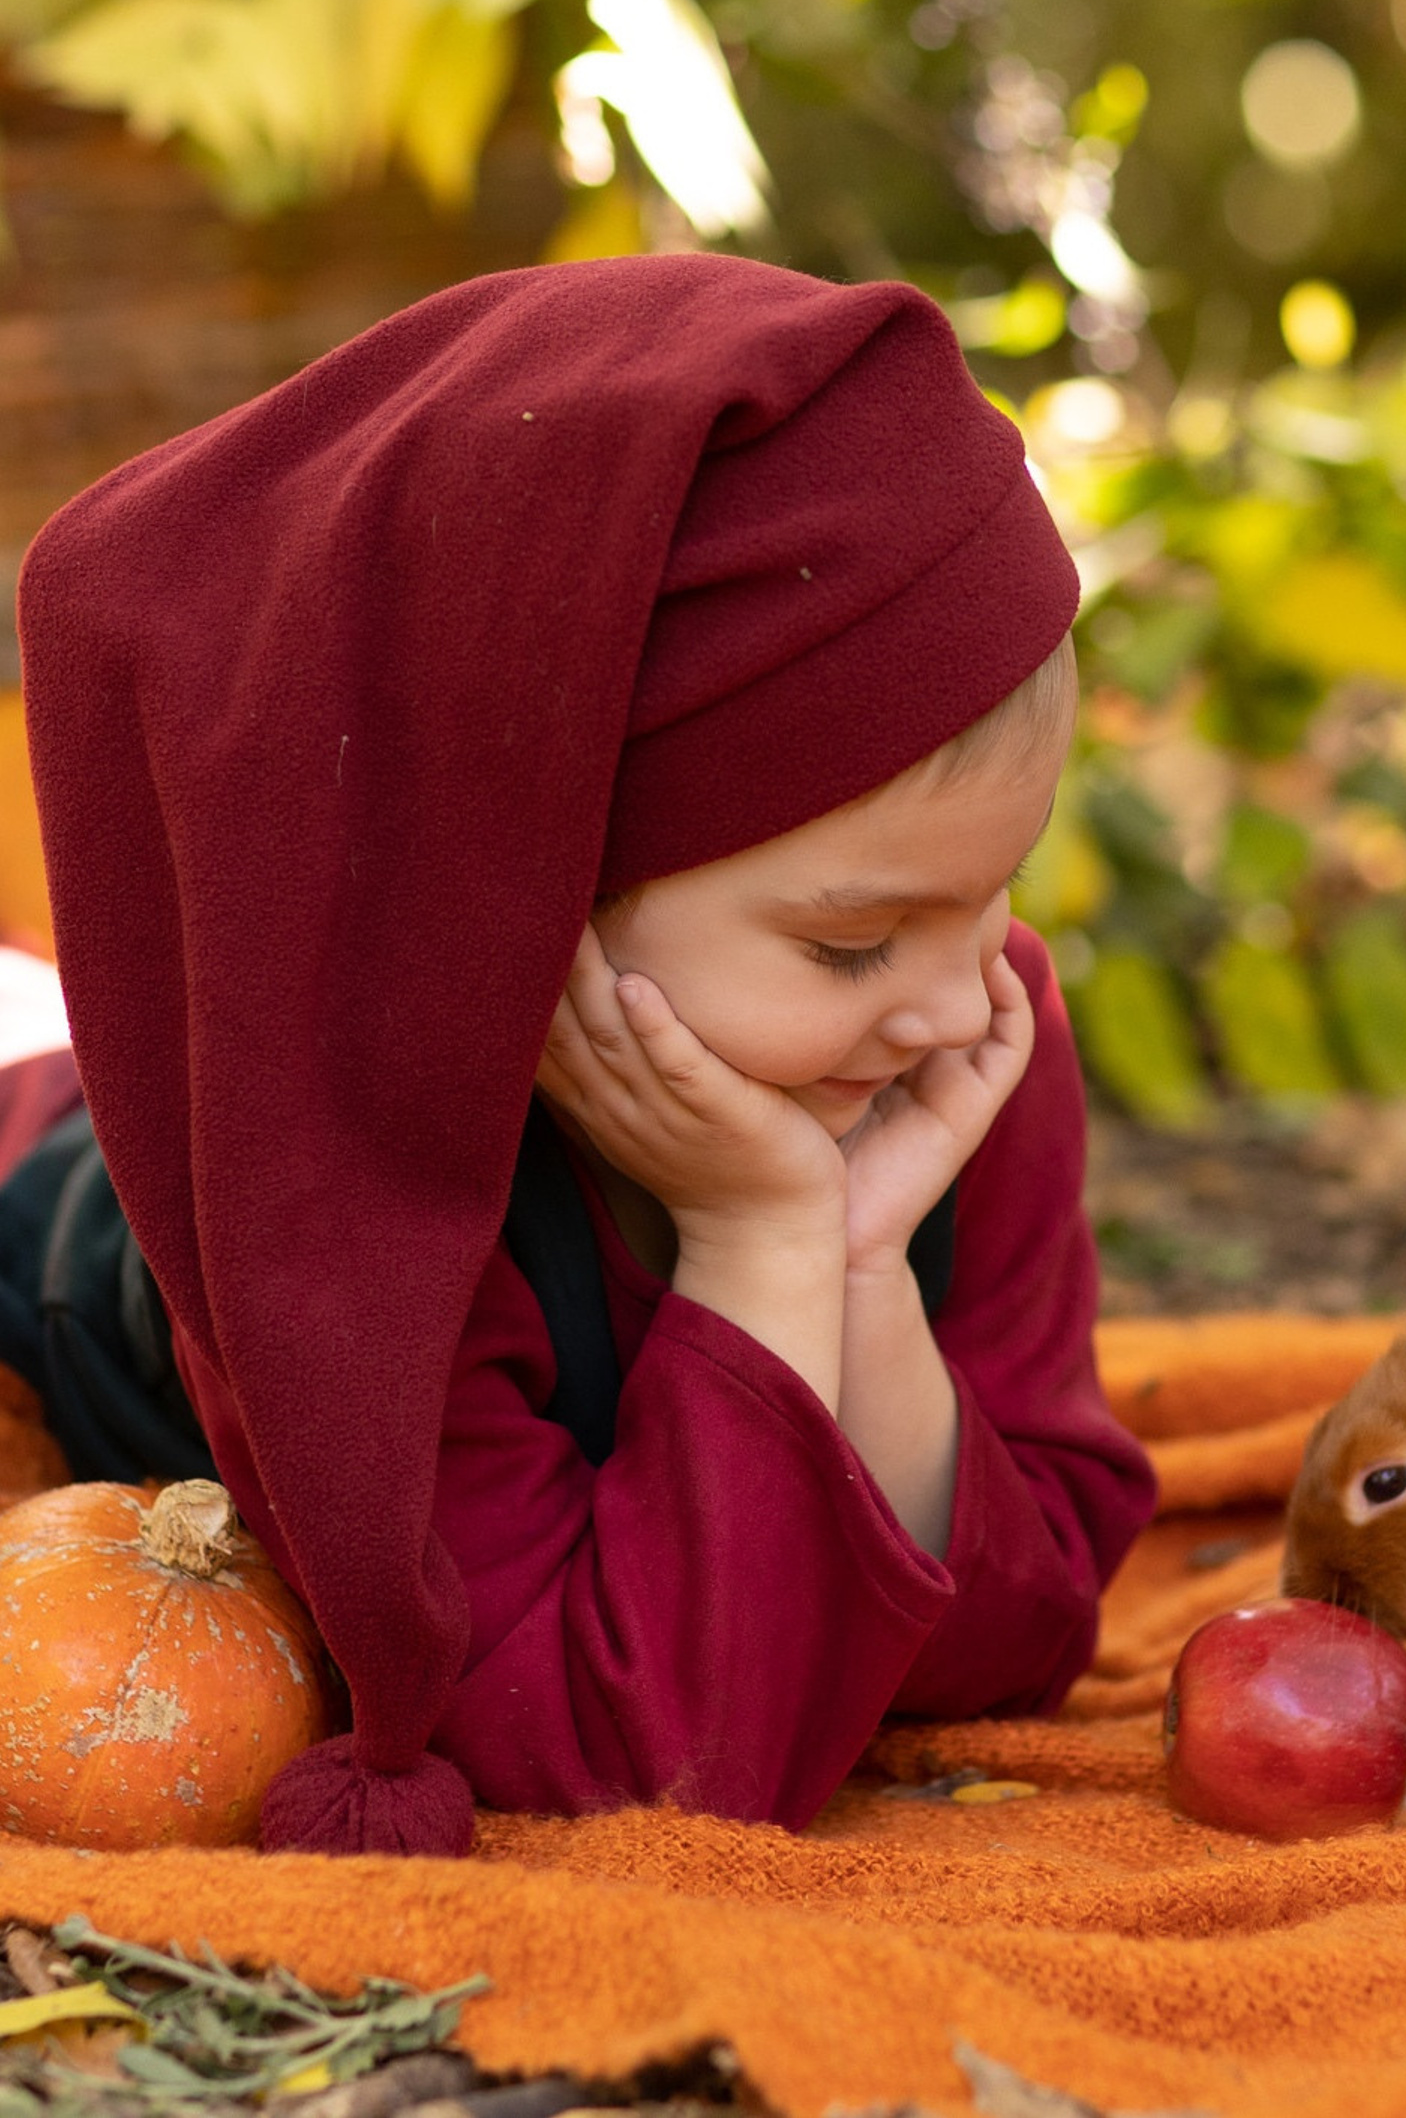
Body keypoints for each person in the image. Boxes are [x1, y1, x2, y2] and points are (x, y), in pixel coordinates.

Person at [7, 255, 1155, 1857]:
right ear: (535, 912)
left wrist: (868, 1281)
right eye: (849, 944)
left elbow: (1015, 1647)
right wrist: (764, 1243)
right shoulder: (361, 1227)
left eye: (995, 897)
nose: (962, 1007)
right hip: (78, 1212)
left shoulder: (967, 1038)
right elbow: (639, 1755)